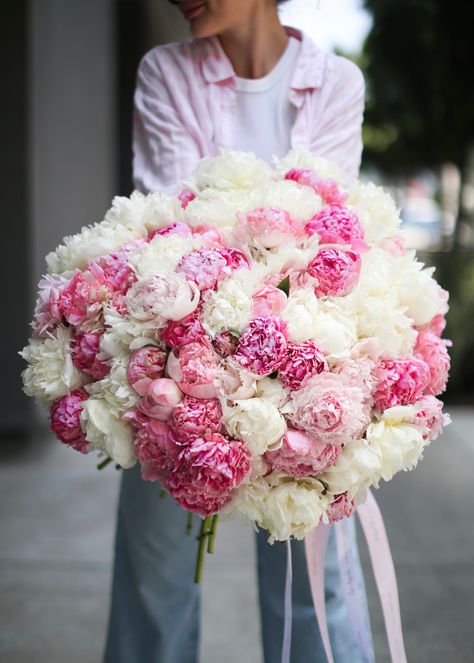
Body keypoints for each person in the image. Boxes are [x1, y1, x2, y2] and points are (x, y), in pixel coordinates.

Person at [104, 1, 374, 662]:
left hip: (305, 378)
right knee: (154, 584)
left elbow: (329, 231)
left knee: (316, 592)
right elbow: (170, 227)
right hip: (176, 372)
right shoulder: (165, 72)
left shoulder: (336, 83)